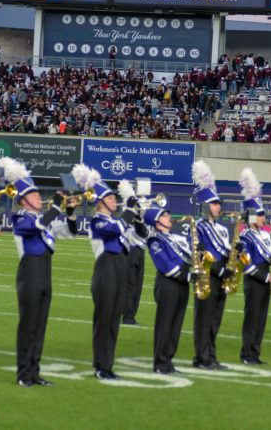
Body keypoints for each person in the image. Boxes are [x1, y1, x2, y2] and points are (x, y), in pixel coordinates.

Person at [0, 158, 77, 387]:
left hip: (45, 271)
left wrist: (70, 213)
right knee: (28, 325)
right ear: (23, 201)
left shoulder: (45, 221)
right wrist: (55, 206)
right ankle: (23, 373)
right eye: (33, 196)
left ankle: (34, 371)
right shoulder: (20, 218)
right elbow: (37, 226)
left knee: (40, 325)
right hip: (29, 273)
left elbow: (69, 233)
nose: (38, 198)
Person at [75, 163, 145, 380]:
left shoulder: (116, 221)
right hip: (105, 272)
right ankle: (100, 366)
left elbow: (141, 234)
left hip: (119, 271)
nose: (115, 200)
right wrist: (130, 210)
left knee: (114, 322)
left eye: (116, 198)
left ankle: (107, 366)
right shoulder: (97, 222)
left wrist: (139, 215)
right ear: (101, 202)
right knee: (104, 322)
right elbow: (117, 228)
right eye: (111, 198)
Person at [190, 160, 232, 370]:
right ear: (207, 205)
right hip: (206, 278)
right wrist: (220, 269)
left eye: (219, 204)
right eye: (215, 204)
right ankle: (201, 357)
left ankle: (211, 356)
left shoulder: (223, 229)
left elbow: (224, 253)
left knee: (215, 320)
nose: (219, 207)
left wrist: (233, 263)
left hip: (221, 279)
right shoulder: (198, 227)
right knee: (203, 320)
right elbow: (201, 254)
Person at [144, 204, 192, 374]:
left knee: (176, 324)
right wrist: (186, 276)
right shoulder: (155, 241)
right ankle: (160, 362)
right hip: (167, 284)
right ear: (157, 223)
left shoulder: (177, 238)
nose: (169, 218)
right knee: (165, 323)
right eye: (164, 216)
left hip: (182, 284)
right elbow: (165, 265)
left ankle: (168, 360)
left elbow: (190, 258)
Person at [238, 168, 271, 365]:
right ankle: (247, 354)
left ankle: (255, 353)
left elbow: (270, 258)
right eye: (260, 215)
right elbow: (245, 263)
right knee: (252, 319)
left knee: (261, 320)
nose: (264, 218)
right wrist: (265, 277)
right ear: (252, 216)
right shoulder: (245, 235)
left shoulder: (264, 234)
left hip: (266, 280)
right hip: (255, 281)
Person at [120, 181, 146, 327]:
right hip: (129, 252)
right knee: (129, 286)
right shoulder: (124, 216)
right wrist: (132, 211)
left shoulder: (138, 217)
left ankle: (131, 315)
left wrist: (139, 215)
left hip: (140, 251)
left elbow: (143, 231)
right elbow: (123, 226)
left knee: (137, 286)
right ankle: (127, 316)